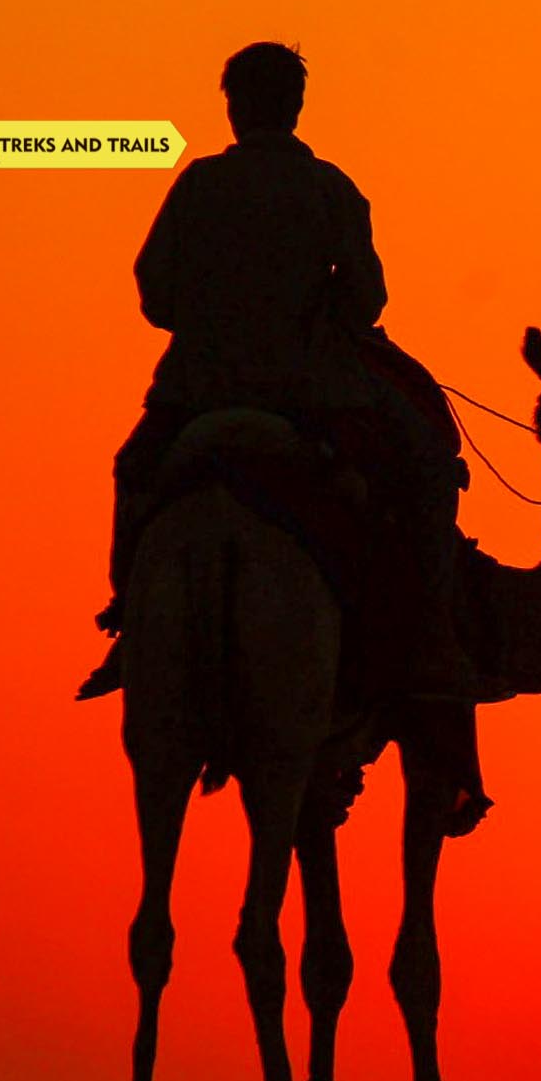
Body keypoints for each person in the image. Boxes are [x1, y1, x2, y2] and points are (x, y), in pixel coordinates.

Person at [79, 41, 473, 701]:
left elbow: (155, 292)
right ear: (295, 105)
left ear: (234, 106)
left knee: (135, 472)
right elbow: (368, 299)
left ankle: (131, 622)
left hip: (196, 393)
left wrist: (212, 320)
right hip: (315, 396)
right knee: (429, 468)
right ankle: (433, 641)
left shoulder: (200, 184)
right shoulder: (329, 189)